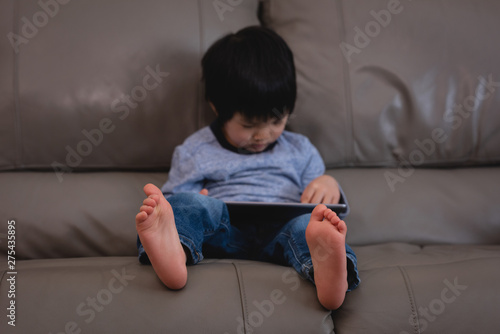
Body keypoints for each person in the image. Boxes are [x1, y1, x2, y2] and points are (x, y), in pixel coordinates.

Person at [135, 26, 359, 310]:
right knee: (186, 204)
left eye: (276, 122)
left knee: (310, 225)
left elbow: (323, 204)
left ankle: (327, 273)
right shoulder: (196, 149)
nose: (262, 135)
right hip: (222, 231)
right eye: (249, 125)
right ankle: (173, 252)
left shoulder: (301, 150)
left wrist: (328, 184)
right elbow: (177, 200)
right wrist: (196, 200)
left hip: (283, 232)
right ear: (218, 108)